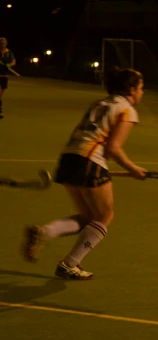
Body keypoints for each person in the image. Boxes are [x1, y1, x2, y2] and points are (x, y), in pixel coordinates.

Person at [21, 67, 147, 280]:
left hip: (70, 157)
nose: (143, 93)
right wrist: (133, 169)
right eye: (142, 88)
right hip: (89, 160)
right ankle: (70, 264)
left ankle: (44, 232)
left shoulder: (101, 103)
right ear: (132, 89)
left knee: (88, 217)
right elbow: (113, 148)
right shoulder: (127, 110)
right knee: (105, 216)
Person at [0, 37, 16, 119]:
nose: (2, 44)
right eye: (1, 43)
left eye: (3, 43)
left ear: (6, 43)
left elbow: (13, 62)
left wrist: (8, 65)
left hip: (4, 76)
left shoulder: (9, 53)